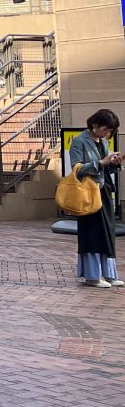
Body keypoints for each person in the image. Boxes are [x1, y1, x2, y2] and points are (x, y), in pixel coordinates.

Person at [68, 108, 122, 289]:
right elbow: (77, 168)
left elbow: (106, 169)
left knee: (107, 232)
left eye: (110, 131)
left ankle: (109, 273)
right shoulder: (79, 141)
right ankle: (92, 275)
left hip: (104, 191)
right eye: (106, 130)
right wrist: (101, 163)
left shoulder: (103, 143)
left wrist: (114, 163)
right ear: (94, 125)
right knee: (92, 233)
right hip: (87, 193)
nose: (108, 134)